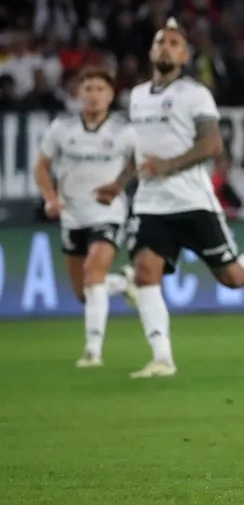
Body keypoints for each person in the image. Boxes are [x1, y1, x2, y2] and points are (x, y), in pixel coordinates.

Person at [95, 18, 244, 379]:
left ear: (185, 55)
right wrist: (119, 183)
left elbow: (212, 144)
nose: (166, 47)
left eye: (174, 43)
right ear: (151, 51)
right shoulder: (137, 96)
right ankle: (162, 358)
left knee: (233, 277)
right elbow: (137, 151)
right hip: (150, 203)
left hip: (193, 201)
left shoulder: (195, 94)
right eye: (160, 42)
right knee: (147, 273)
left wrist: (169, 165)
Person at [33, 65, 138, 367]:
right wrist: (51, 198)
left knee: (94, 273)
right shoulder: (62, 128)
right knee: (83, 293)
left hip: (107, 213)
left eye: (100, 90)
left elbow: (137, 163)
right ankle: (122, 283)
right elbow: (41, 166)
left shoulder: (123, 131)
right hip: (72, 215)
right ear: (78, 93)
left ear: (111, 95)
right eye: (88, 89)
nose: (93, 96)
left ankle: (93, 351)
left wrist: (117, 185)